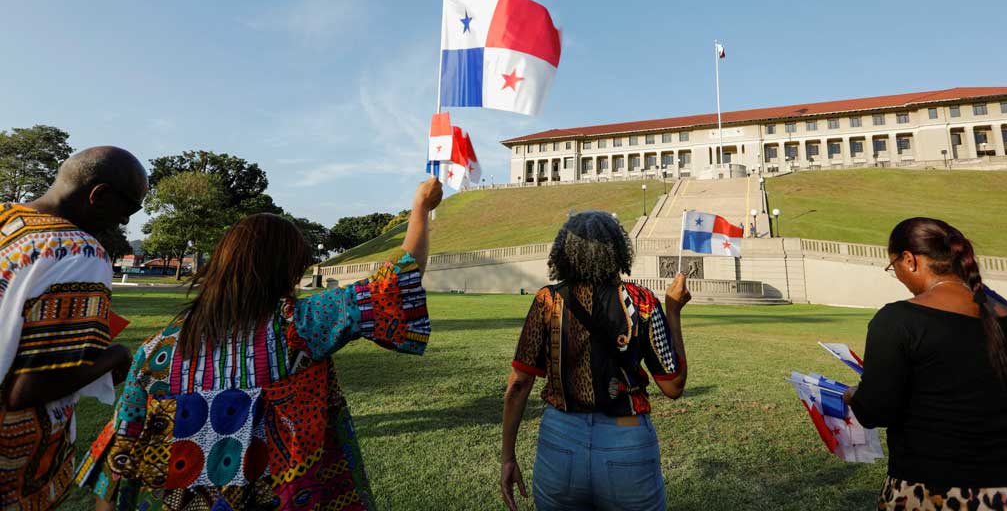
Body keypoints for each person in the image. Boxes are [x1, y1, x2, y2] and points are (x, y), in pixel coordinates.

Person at [80, 177, 442, 511]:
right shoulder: (297, 326)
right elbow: (393, 284)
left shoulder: (157, 352)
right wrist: (421, 208)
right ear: (280, 272)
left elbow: (121, 455)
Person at [500, 211, 689, 511]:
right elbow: (673, 385)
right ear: (618, 250)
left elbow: (519, 384)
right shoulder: (643, 302)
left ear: (564, 251)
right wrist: (674, 311)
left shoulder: (547, 301)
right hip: (627, 439)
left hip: (560, 438)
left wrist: (508, 456)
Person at [0, 146, 147, 510]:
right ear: (99, 195)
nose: (125, 222)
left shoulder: (6, 221)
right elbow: (28, 388)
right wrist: (115, 356)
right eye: (128, 209)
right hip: (14, 467)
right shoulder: (77, 251)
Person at [844, 217, 1007, 510]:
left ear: (909, 260)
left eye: (894, 268)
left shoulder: (897, 320)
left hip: (930, 490)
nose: (899, 276)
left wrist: (854, 395)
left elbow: (877, 409)